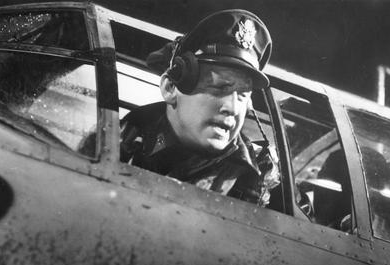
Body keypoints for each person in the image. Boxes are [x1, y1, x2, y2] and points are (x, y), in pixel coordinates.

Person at [120, 10, 280, 206]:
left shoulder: (266, 179)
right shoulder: (123, 136)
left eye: (243, 95)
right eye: (221, 88)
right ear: (170, 88)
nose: (232, 108)